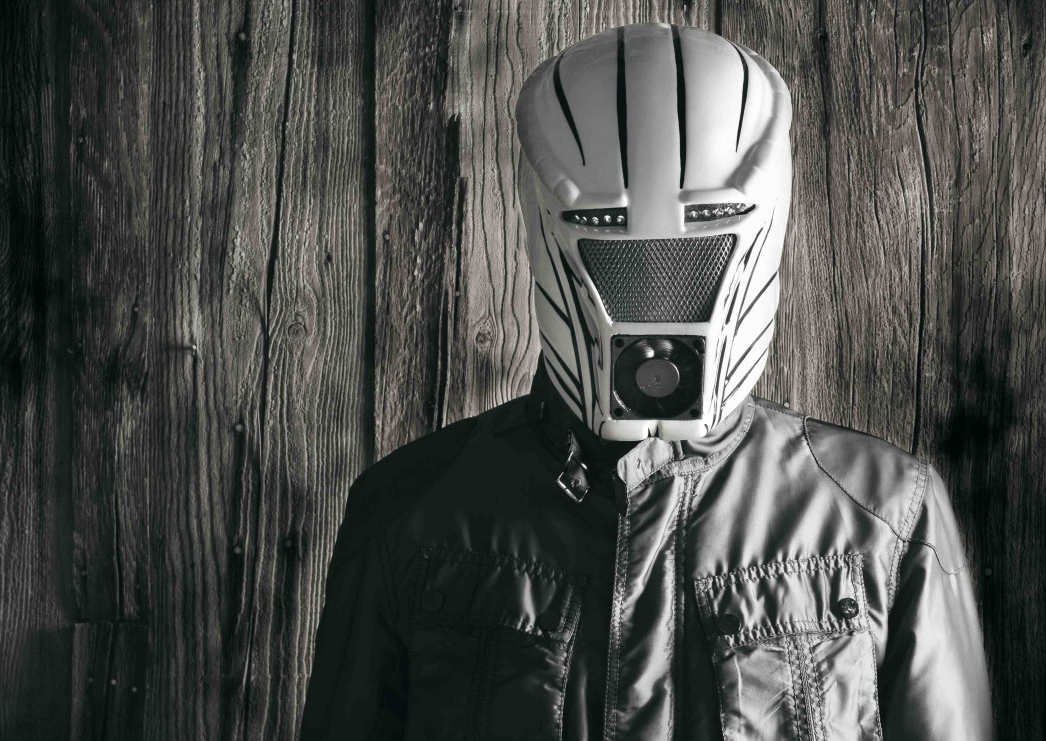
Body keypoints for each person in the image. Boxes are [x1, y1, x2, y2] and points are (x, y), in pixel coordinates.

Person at [300, 23, 994, 740]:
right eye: (606, 229)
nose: (657, 283)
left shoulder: (884, 514)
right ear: (543, 225)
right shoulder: (411, 511)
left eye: (702, 233)